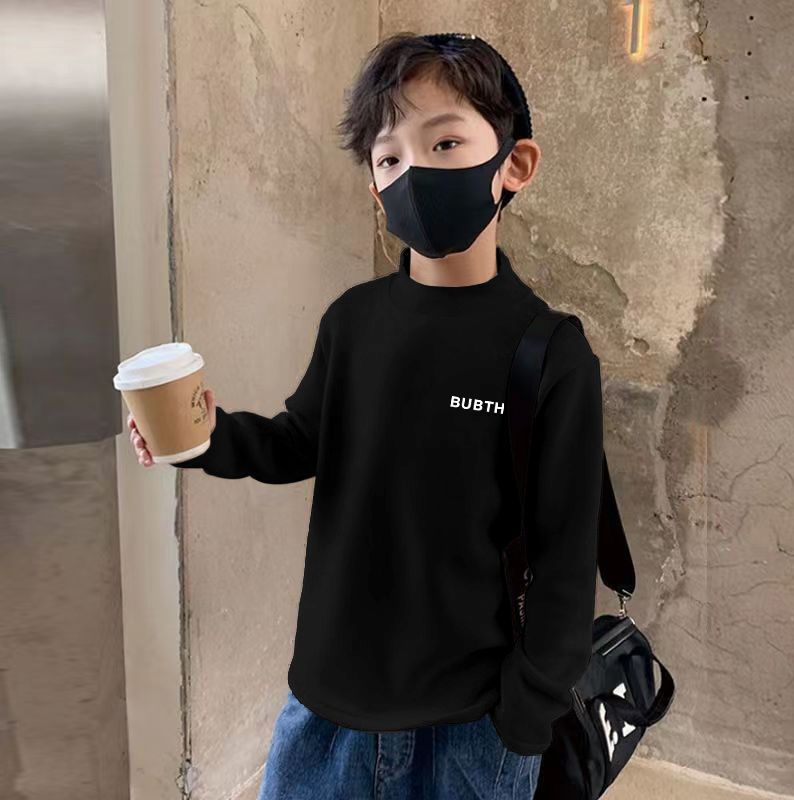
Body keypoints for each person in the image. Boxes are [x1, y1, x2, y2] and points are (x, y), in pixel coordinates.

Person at [129, 31, 604, 800]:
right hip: (328, 709)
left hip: (473, 723)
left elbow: (566, 554)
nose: (414, 173)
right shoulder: (353, 322)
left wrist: (527, 714)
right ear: (376, 188)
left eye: (444, 143)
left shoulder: (550, 351)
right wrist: (203, 438)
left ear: (514, 164)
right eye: (389, 159)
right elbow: (297, 443)